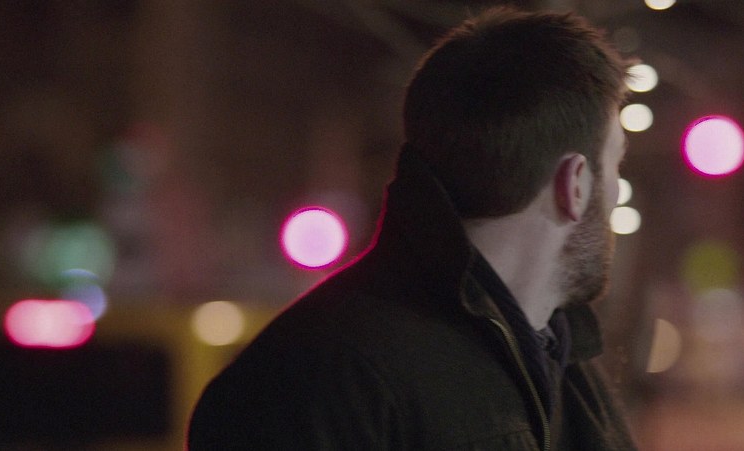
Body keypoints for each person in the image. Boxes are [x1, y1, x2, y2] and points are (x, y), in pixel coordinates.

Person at [188, 6, 637, 450]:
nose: (616, 191)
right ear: (575, 184)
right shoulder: (317, 378)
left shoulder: (570, 369)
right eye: (616, 164)